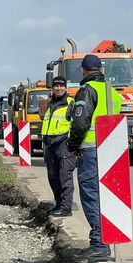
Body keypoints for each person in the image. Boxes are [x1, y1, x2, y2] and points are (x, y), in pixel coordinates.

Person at [67, 54, 122, 258]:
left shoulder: (87, 90)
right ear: (101, 70)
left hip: (90, 150)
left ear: (83, 71)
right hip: (111, 151)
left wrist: (73, 145)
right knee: (108, 196)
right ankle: (106, 239)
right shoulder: (113, 93)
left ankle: (99, 243)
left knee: (91, 195)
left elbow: (81, 123)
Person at [41, 76, 76, 217]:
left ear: (65, 88)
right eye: (56, 86)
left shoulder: (70, 103)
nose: (59, 88)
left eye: (61, 86)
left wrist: (72, 143)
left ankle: (66, 207)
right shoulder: (51, 103)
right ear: (53, 88)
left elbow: (75, 124)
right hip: (50, 144)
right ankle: (58, 204)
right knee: (53, 176)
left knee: (65, 177)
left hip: (64, 144)